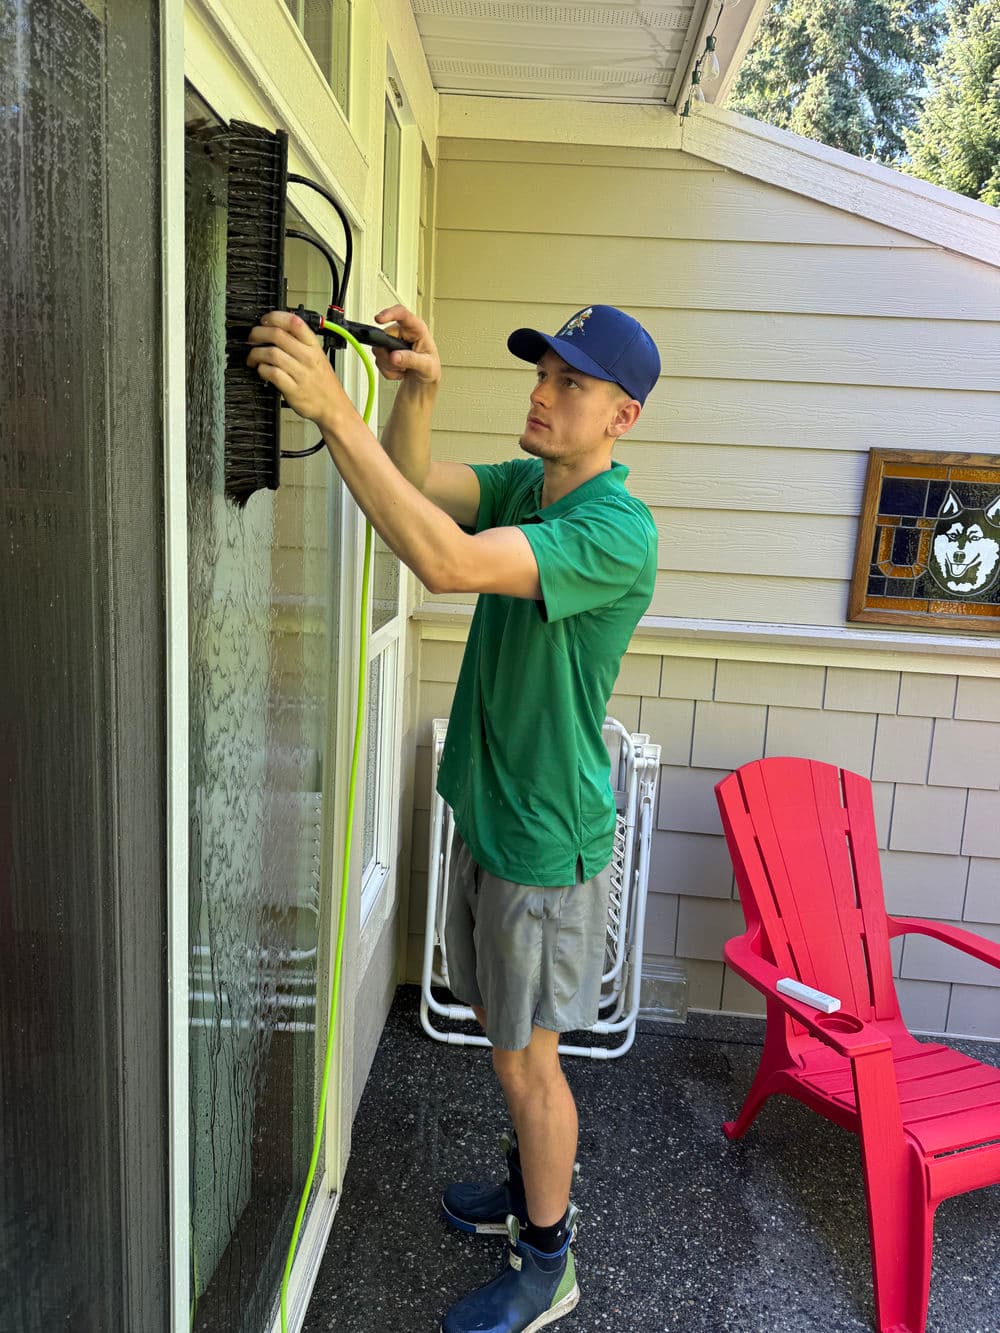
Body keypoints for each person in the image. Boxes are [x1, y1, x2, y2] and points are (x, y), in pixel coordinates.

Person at [248, 301, 660, 1333]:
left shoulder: (613, 531)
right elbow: (421, 488)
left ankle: (548, 1259)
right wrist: (411, 394)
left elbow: (440, 559)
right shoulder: (532, 487)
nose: (543, 393)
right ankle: (526, 1192)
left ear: (624, 417)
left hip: (544, 840)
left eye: (572, 383)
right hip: (493, 812)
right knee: (500, 1031)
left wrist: (334, 411)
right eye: (543, 373)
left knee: (530, 1058)